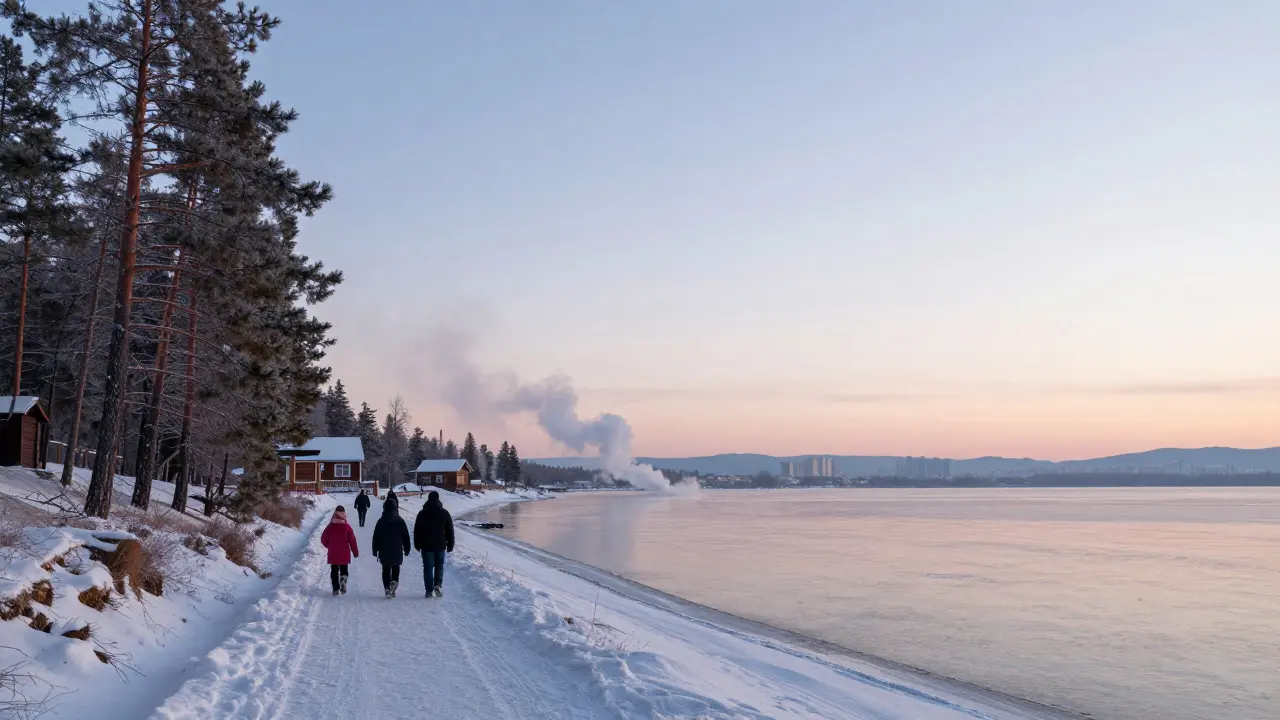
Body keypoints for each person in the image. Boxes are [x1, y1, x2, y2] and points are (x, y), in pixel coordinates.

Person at [413, 491, 455, 598]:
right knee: (439, 565)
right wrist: (451, 544)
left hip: (426, 546)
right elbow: (450, 530)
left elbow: (417, 530)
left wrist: (417, 544)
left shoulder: (422, 514)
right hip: (440, 544)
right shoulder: (444, 513)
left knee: (428, 567)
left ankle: (428, 590)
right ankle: (437, 585)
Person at [371, 495, 410, 598]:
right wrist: (407, 548)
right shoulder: (400, 521)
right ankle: (394, 581)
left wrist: (375, 550)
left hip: (384, 550)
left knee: (386, 569)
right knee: (396, 567)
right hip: (397, 549)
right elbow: (405, 536)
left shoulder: (381, 521)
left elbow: (376, 537)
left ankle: (387, 588)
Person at [319, 506, 358, 596]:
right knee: (344, 568)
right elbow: (352, 540)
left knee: (334, 570)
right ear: (344, 515)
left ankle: (335, 588)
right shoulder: (347, 527)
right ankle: (343, 579)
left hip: (333, 552)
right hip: (344, 552)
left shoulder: (330, 527)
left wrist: (329, 545)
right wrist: (355, 552)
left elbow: (323, 538)